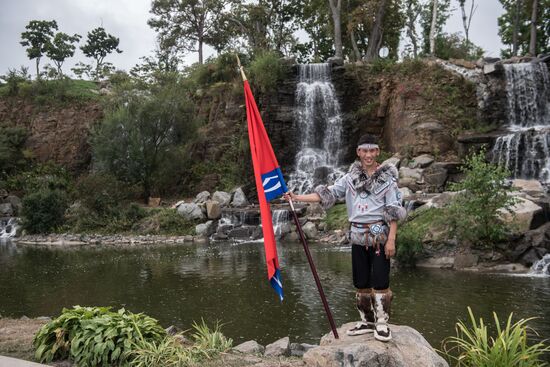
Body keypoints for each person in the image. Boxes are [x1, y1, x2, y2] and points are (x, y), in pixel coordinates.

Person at [284, 134, 406, 342]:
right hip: (357, 235)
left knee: (380, 280)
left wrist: (392, 239)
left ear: (377, 152)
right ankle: (367, 322)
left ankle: (382, 324)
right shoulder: (349, 180)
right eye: (364, 151)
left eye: (372, 151)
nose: (368, 155)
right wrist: (296, 197)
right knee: (360, 281)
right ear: (358, 152)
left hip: (379, 236)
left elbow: (393, 211)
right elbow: (327, 194)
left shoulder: (388, 180)